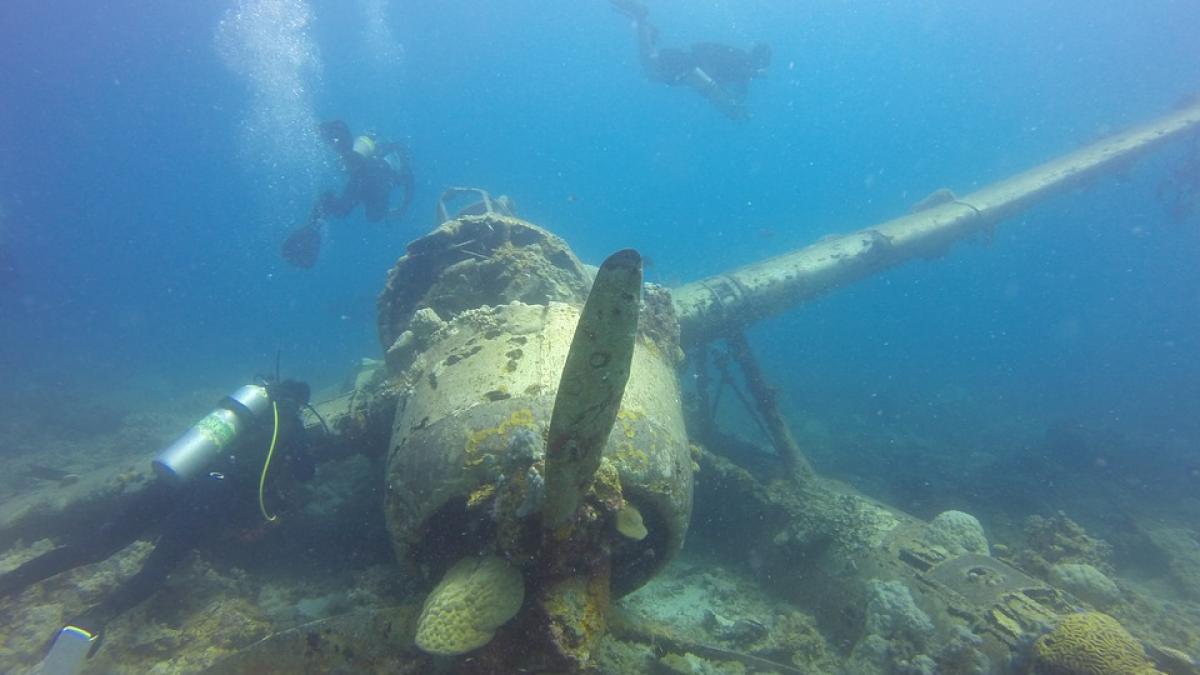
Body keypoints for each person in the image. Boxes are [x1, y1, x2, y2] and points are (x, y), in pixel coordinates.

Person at [0, 379, 317, 670]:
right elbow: (305, 473)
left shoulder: (237, 413)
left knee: (97, 545)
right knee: (156, 568)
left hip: (173, 479)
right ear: (300, 403)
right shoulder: (290, 422)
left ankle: (11, 581)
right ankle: (90, 621)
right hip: (210, 496)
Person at [282, 120, 416, 268]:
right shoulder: (400, 159)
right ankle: (317, 218)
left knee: (342, 209)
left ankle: (316, 220)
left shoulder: (381, 152)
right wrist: (403, 207)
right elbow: (410, 185)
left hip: (363, 175)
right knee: (373, 215)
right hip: (374, 177)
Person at [609, 0, 771, 121]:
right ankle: (641, 17)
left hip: (684, 61)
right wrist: (732, 110)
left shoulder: (739, 65)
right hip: (684, 63)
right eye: (760, 67)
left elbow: (736, 93)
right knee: (651, 69)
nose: (758, 73)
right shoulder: (739, 64)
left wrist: (736, 106)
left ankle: (646, 26)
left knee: (652, 66)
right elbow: (711, 87)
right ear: (756, 61)